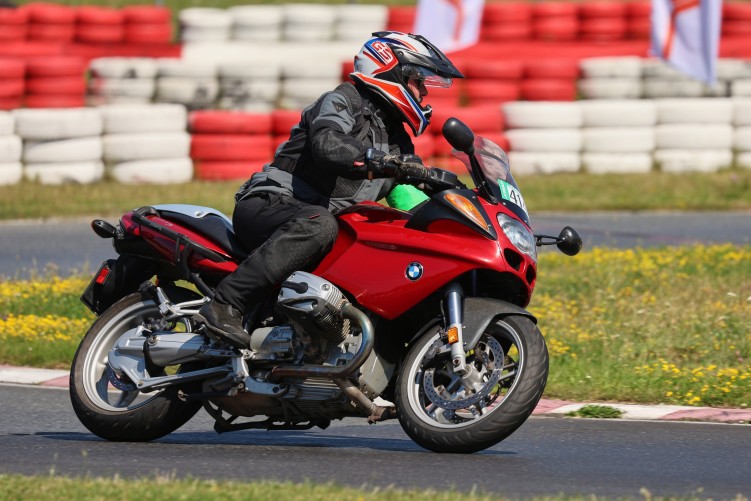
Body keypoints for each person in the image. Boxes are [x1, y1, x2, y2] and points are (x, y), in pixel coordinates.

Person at [198, 31, 464, 348]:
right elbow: (328, 144)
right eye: (419, 81)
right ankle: (225, 303)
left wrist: (456, 213)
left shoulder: (397, 140)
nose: (423, 92)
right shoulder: (343, 101)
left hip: (319, 229)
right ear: (391, 70)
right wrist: (379, 161)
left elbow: (409, 197)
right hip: (271, 204)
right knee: (320, 225)